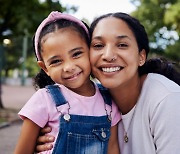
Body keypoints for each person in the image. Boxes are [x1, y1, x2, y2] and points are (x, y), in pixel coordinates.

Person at [36, 12, 180, 154]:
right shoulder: (93, 103)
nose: (109, 55)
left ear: (141, 56)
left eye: (122, 45)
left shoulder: (167, 100)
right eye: (98, 46)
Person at [14, 11, 121, 154]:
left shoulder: (109, 101)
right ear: (45, 68)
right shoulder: (44, 99)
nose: (69, 67)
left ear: (90, 50)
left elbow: (113, 149)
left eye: (76, 54)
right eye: (56, 61)